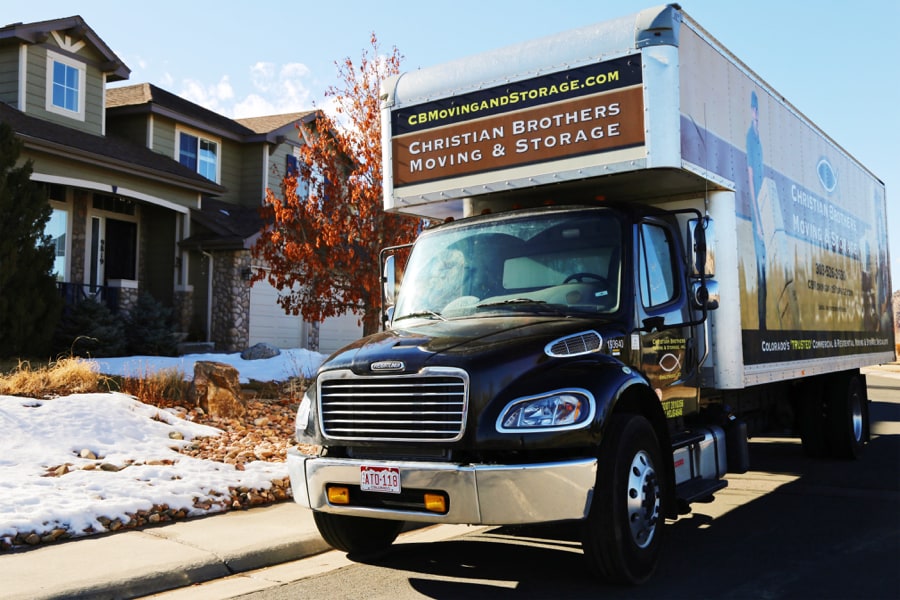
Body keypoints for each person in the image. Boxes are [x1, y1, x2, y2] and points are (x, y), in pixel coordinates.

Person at [746, 90, 767, 331]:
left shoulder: (759, 138)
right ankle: (762, 325)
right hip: (757, 214)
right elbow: (751, 179)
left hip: (763, 210)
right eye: (753, 108)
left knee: (766, 270)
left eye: (757, 108)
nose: (755, 112)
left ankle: (765, 322)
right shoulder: (750, 138)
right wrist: (759, 221)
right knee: (761, 270)